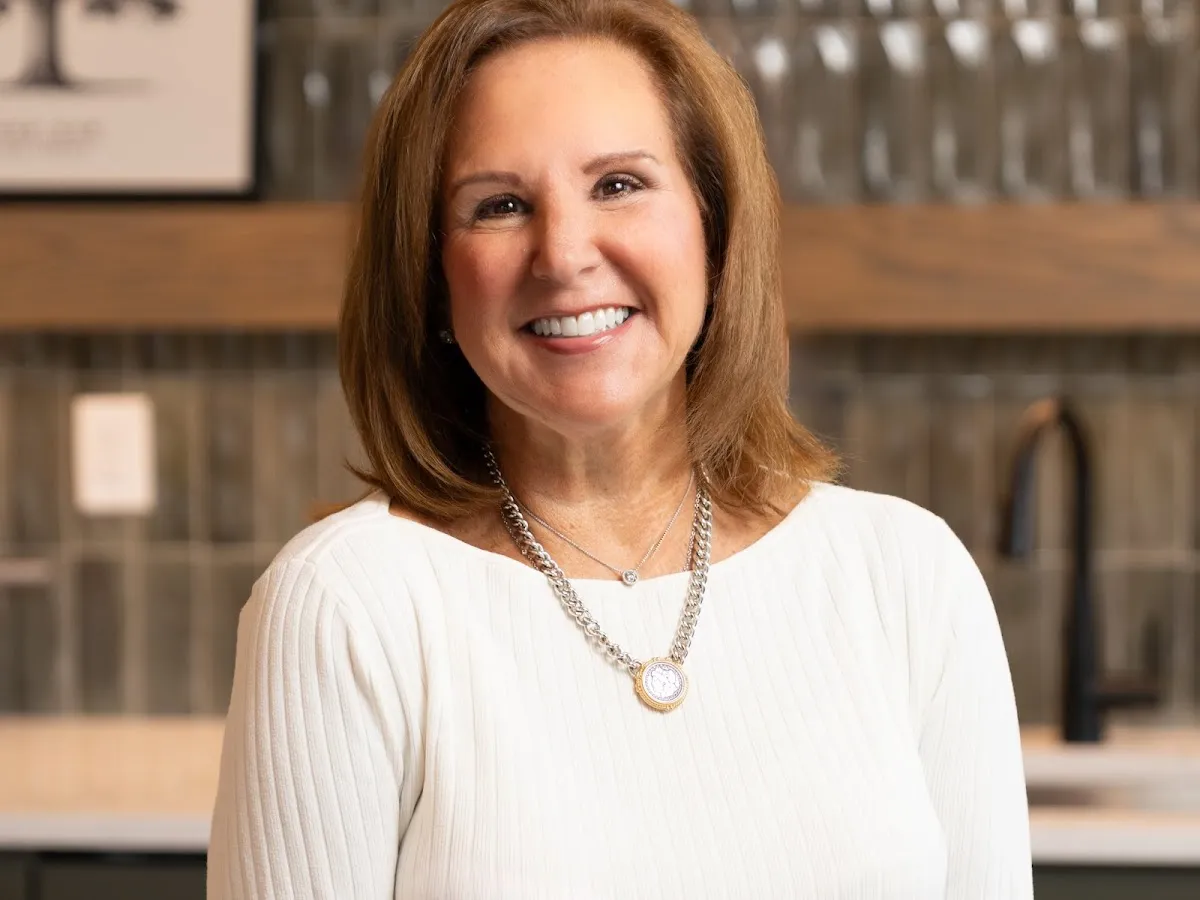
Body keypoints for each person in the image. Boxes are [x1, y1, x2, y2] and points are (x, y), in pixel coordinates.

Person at [207, 0, 1033, 896]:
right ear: (430, 276)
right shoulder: (344, 605)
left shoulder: (906, 577)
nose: (564, 255)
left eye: (619, 185)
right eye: (499, 205)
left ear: (715, 230)